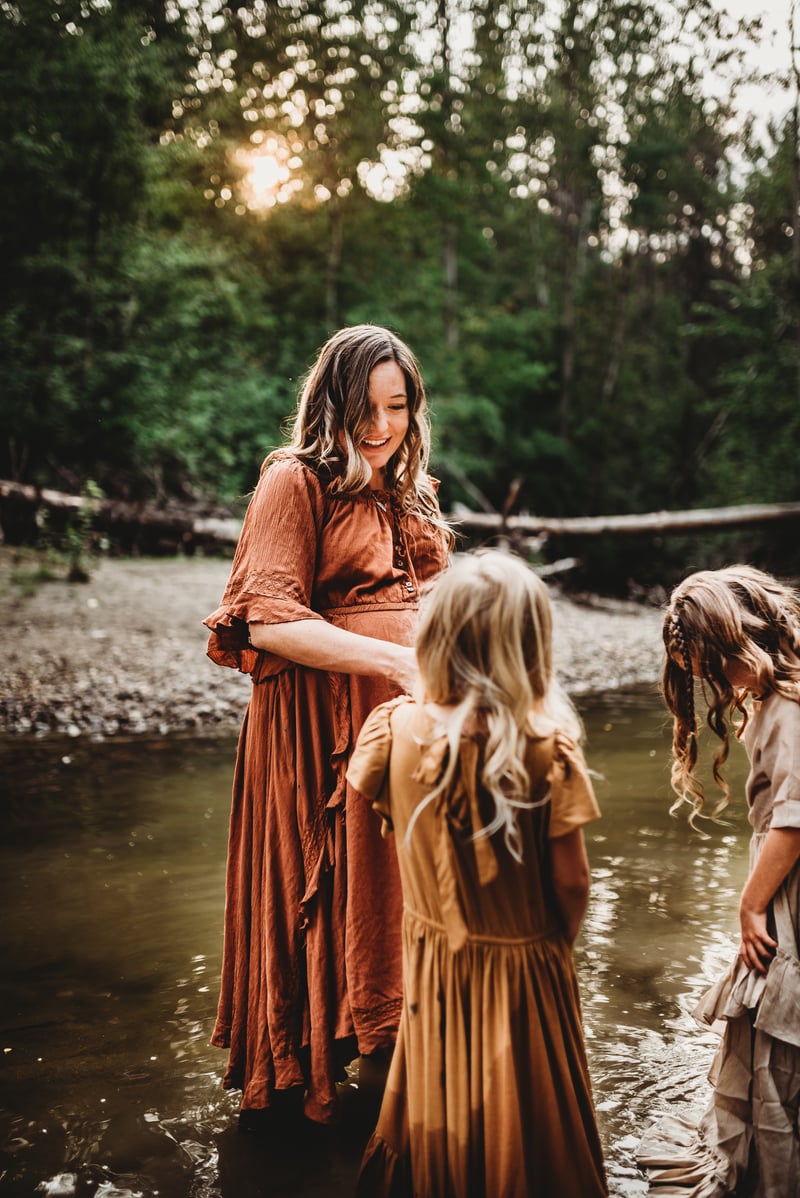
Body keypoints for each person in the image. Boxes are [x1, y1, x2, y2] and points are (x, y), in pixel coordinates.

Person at [203, 325, 452, 1126]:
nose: (381, 428)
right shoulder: (294, 481)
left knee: (396, 895)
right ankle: (327, 1073)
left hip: (404, 729)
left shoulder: (407, 491)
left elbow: (434, 603)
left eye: (398, 407)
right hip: (318, 733)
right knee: (334, 886)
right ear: (330, 405)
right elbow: (269, 621)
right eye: (364, 409)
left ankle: (398, 1061)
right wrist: (401, 666)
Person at [346, 549, 608, 1197]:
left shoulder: (392, 728)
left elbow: (378, 807)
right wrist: (554, 943)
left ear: (434, 635)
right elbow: (572, 882)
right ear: (529, 648)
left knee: (439, 1103)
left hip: (435, 956)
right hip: (525, 960)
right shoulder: (545, 750)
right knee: (529, 1105)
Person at [637, 565, 800, 1196]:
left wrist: (750, 905)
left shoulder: (787, 706)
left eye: (712, 665)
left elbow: (792, 819)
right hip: (783, 875)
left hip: (786, 887)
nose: (712, 683)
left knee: (773, 1024)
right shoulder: (779, 688)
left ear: (743, 641)